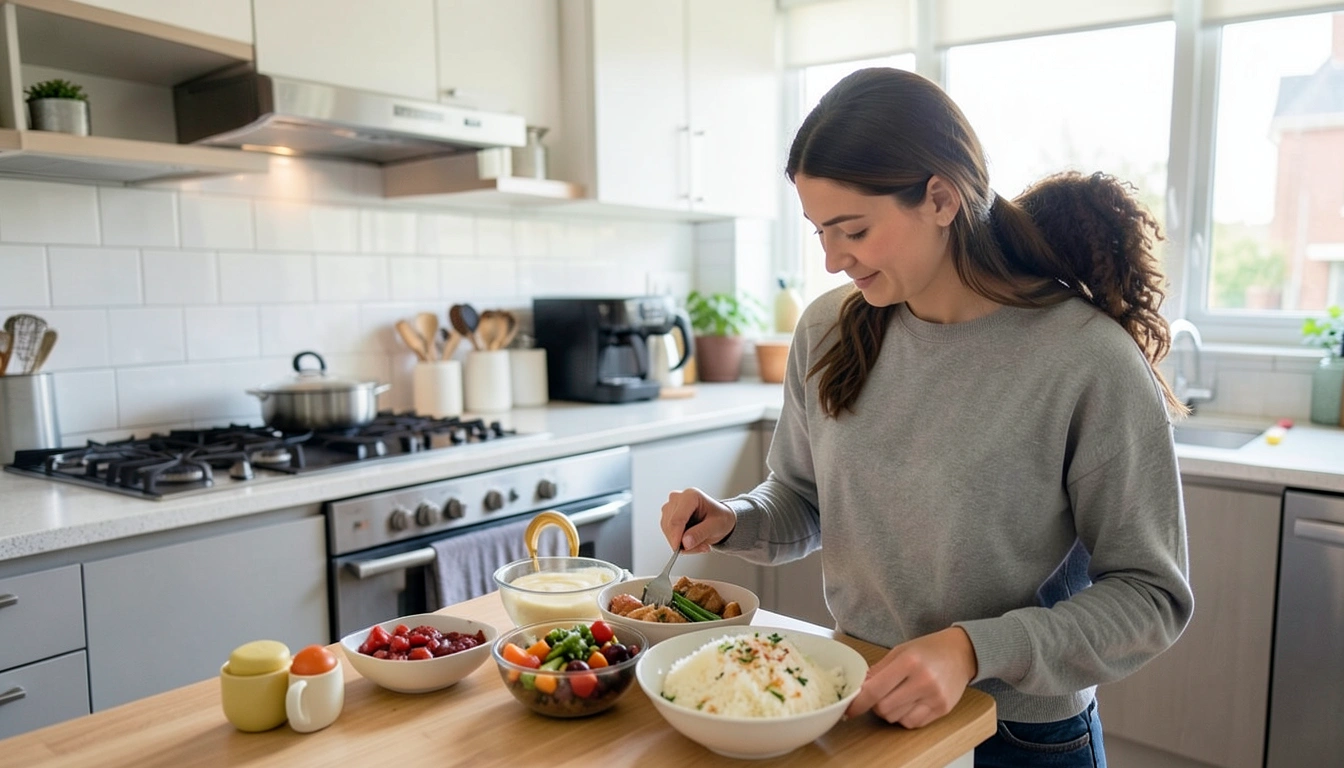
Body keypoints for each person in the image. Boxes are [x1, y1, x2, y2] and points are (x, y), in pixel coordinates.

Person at [659, 67, 1194, 768]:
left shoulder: (1086, 359)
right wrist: (735, 518)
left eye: (851, 230)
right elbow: (800, 499)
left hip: (1022, 737)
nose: (830, 260)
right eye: (820, 232)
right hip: (855, 706)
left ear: (940, 198)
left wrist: (974, 649)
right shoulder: (827, 330)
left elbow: (1151, 597)